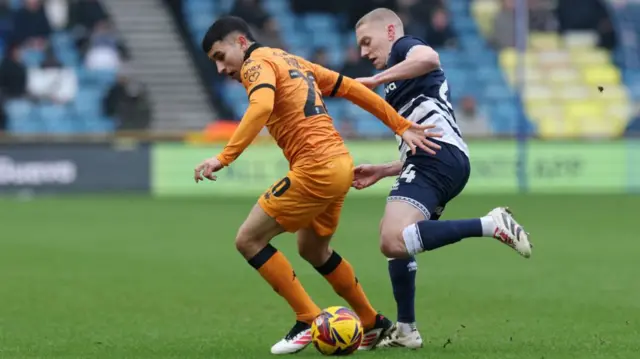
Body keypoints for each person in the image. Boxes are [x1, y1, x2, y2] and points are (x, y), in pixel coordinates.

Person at [194, 16, 442, 355]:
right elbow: (354, 88)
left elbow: (262, 106)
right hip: (340, 164)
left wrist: (224, 157)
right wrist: (401, 125)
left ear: (240, 43)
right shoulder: (291, 60)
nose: (221, 68)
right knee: (313, 249)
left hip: (316, 169)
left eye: (220, 56)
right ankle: (372, 323)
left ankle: (308, 319)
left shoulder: (256, 64)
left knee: (248, 240)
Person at [351, 8, 533, 349]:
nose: (363, 52)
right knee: (395, 243)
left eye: (366, 42)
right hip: (435, 158)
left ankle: (491, 224)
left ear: (390, 31)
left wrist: (375, 81)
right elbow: (422, 136)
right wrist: (383, 169)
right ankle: (406, 330)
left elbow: (430, 57)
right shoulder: (396, 80)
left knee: (393, 239)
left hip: (439, 160)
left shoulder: (404, 47)